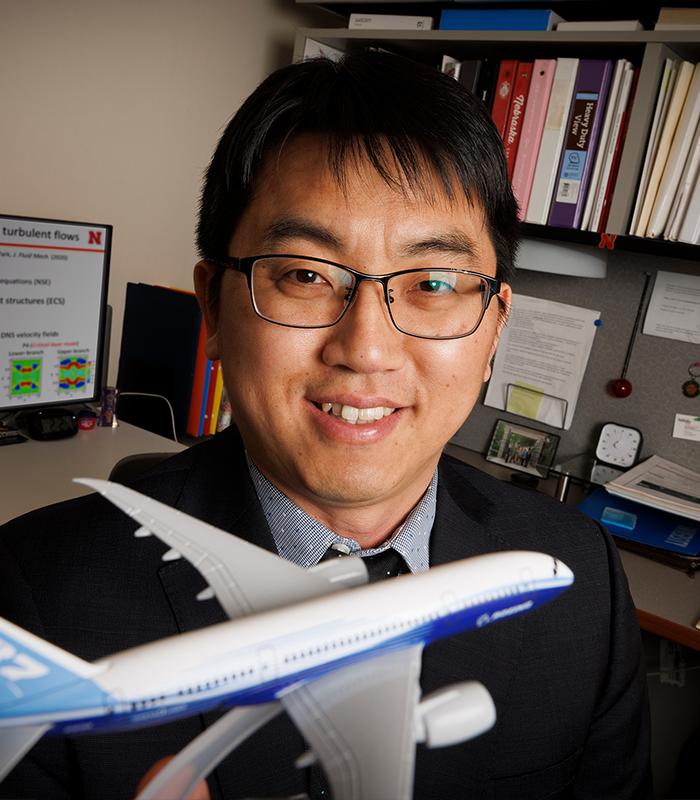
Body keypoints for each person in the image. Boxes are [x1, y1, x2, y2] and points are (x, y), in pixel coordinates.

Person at [0, 51, 652, 799]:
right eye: (305, 274)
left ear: (495, 328)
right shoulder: (32, 592)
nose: (367, 350)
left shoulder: (583, 575)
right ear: (212, 309)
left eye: (435, 282)